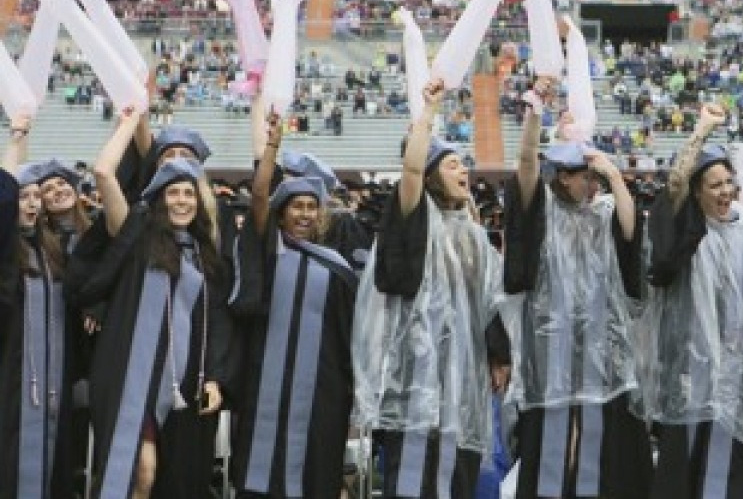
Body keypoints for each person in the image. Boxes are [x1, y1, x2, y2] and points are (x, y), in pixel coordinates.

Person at [353, 78, 510, 498]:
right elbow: (409, 170)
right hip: (414, 388)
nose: (465, 171)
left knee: (457, 481)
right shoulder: (413, 218)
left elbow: (491, 306)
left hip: (462, 393)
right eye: (453, 164)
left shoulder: (474, 238)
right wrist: (429, 113)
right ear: (431, 174)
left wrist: (498, 355)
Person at [67, 111, 233, 499]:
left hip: (181, 382)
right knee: (140, 472)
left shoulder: (203, 255)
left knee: (171, 481)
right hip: (130, 375)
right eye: (173, 192)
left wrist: (213, 376)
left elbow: (213, 321)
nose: (181, 200)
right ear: (158, 198)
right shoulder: (135, 236)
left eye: (188, 192)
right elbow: (104, 174)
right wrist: (130, 119)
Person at [503, 75, 652, 498]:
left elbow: (629, 226)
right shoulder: (540, 212)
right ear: (563, 177)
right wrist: (535, 111)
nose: (593, 185)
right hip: (550, 349)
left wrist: (613, 174)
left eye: (595, 178)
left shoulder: (601, 213)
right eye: (586, 177)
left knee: (599, 442)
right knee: (555, 442)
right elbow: (527, 164)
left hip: (601, 350)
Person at [645, 103, 743, 498]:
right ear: (697, 192)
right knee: (687, 472)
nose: (726, 191)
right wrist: (701, 131)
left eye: (729, 182)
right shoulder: (685, 235)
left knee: (734, 475)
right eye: (714, 185)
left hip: (742, 377)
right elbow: (673, 190)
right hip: (691, 378)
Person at [227, 116, 359, 498]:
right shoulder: (269, 252)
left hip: (322, 390)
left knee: (315, 475)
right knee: (260, 474)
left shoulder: (336, 267)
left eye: (311, 207)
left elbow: (347, 334)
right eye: (296, 206)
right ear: (281, 213)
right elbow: (258, 195)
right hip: (265, 383)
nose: (304, 214)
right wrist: (272, 147)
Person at [0, 116, 83, 498]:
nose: (31, 204)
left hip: (51, 382)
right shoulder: (6, 252)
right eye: (23, 196)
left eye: (37, 197)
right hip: (10, 376)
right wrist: (17, 138)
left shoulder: (52, 251)